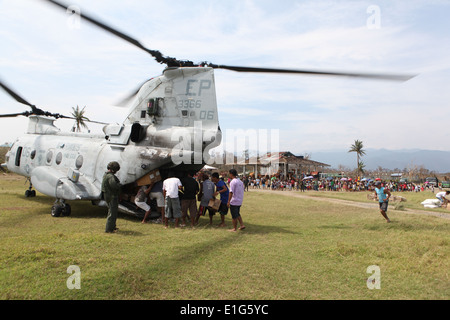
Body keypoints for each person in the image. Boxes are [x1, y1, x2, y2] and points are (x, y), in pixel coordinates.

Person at [102, 161, 121, 233]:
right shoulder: (111, 177)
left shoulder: (106, 175)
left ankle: (112, 226)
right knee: (112, 213)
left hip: (108, 196)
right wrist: (119, 185)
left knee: (113, 212)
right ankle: (109, 229)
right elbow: (114, 186)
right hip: (111, 196)